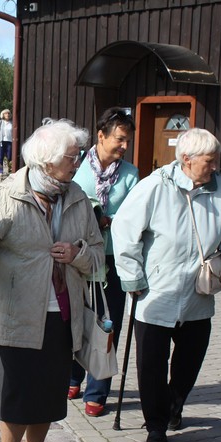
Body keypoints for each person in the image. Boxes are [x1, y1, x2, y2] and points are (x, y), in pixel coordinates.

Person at [111, 128, 221, 442]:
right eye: (209, 161)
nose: (215, 167)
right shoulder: (155, 187)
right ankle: (156, 426)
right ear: (187, 160)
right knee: (151, 367)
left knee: (189, 362)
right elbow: (124, 231)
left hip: (197, 295)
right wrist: (133, 278)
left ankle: (174, 404)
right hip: (155, 294)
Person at [0, 120, 104, 442]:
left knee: (50, 397)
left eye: (78, 155)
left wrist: (78, 253)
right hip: (18, 313)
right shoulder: (6, 196)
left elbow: (99, 257)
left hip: (64, 315)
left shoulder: (79, 198)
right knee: (17, 395)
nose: (77, 162)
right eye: (72, 157)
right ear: (48, 161)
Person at [69, 107, 139, 417]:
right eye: (120, 139)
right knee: (75, 317)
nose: (124, 146)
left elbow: (137, 218)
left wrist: (112, 221)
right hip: (77, 256)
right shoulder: (76, 166)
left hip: (112, 259)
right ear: (101, 135)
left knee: (107, 324)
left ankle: (97, 391)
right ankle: (71, 376)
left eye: (128, 141)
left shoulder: (131, 175)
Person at [0, 108, 13, 177]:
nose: (7, 114)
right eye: (6, 113)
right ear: (3, 115)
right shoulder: (0, 122)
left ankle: (10, 170)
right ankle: (0, 171)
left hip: (9, 142)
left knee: (10, 157)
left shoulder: (12, 123)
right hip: (1, 142)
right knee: (0, 157)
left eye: (8, 113)